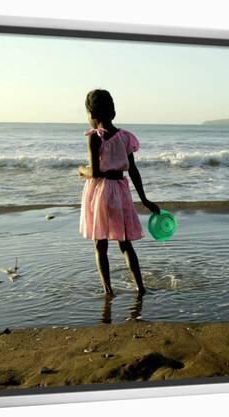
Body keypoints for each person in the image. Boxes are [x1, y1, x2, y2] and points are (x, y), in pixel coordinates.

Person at [78, 89, 159, 296]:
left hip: (101, 192)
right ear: (113, 113)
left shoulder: (95, 138)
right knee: (125, 243)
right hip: (121, 191)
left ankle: (108, 290)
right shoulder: (125, 137)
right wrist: (145, 199)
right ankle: (140, 287)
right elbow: (132, 170)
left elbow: (95, 172)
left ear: (92, 115)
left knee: (100, 244)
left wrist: (81, 170)